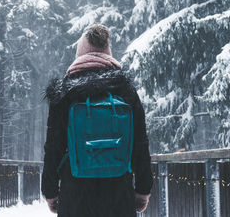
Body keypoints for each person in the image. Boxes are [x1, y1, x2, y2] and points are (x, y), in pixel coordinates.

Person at [42, 23, 153, 217]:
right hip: (118, 192)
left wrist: (50, 192)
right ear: (108, 53)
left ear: (80, 54)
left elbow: (53, 147)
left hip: (75, 194)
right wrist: (143, 189)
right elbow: (140, 143)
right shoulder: (125, 90)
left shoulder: (65, 92)